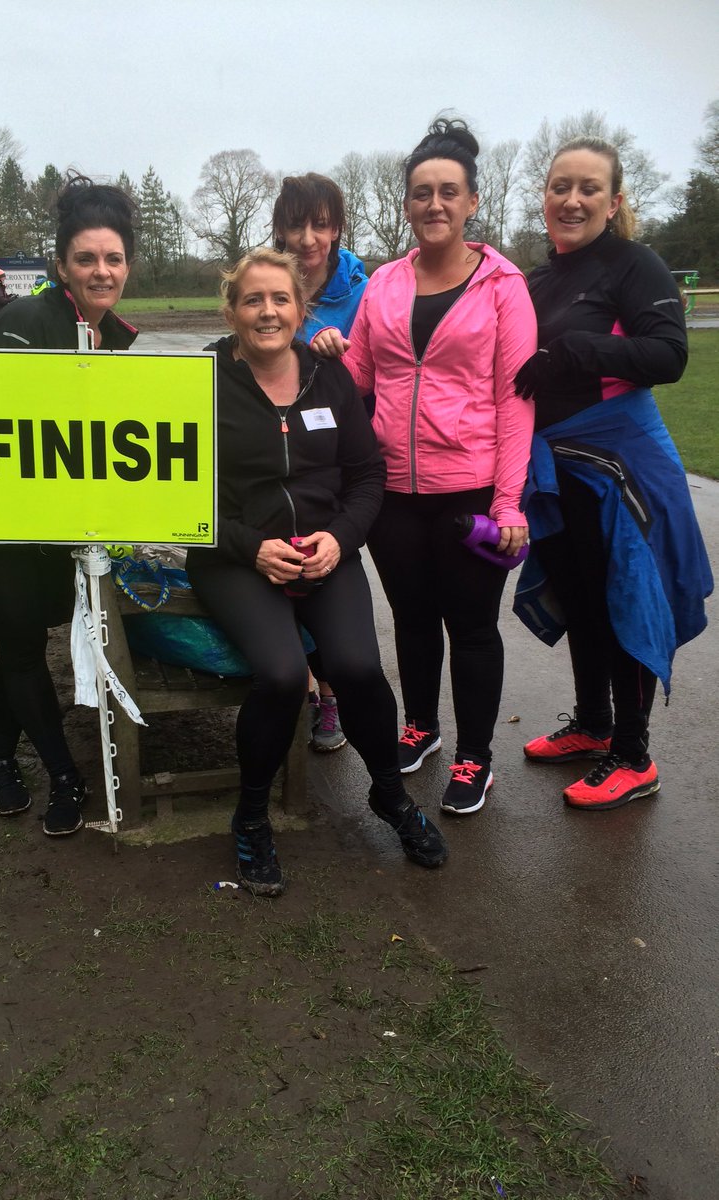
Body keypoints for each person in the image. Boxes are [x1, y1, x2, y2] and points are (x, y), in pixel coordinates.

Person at [186, 247, 448, 896]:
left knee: (358, 668)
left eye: (280, 299)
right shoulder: (202, 380)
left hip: (326, 552)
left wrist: (338, 537)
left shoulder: (329, 378)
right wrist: (249, 547)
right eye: (253, 300)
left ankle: (389, 798)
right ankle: (250, 817)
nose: (267, 311)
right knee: (279, 675)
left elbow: (366, 475)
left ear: (302, 309)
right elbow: (181, 493)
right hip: (236, 558)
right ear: (232, 309)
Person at [314, 118, 537, 817]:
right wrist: (325, 352)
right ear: (406, 204)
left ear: (473, 201)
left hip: (468, 490)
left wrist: (509, 504)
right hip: (394, 491)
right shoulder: (383, 284)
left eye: (448, 192)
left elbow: (514, 401)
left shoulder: (503, 286)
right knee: (410, 619)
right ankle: (422, 729)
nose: (433, 204)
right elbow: (362, 375)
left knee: (470, 628)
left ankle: (475, 757)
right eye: (420, 193)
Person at [0, 174, 139, 836]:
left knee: (18, 637)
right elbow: (16, 441)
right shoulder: (22, 323)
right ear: (61, 265)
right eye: (85, 258)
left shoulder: (116, 335)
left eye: (112, 258)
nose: (100, 271)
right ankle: (66, 776)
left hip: (44, 519)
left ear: (127, 264)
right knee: (20, 638)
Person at [512, 137, 713, 809]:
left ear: (614, 201)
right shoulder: (537, 280)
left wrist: (573, 349)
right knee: (579, 598)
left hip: (621, 467)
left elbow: (669, 355)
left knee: (623, 596)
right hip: (557, 471)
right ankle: (593, 725)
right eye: (559, 186)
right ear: (543, 197)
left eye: (588, 188)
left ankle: (633, 755)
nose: (571, 199)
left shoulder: (635, 264)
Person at [272, 173, 369, 753]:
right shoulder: (269, 278)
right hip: (278, 457)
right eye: (297, 223)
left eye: (322, 223)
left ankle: (330, 694)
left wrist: (339, 361)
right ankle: (304, 685)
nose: (309, 237)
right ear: (280, 227)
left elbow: (380, 371)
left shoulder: (366, 289)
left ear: (337, 227)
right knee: (281, 574)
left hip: (338, 457)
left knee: (329, 571)